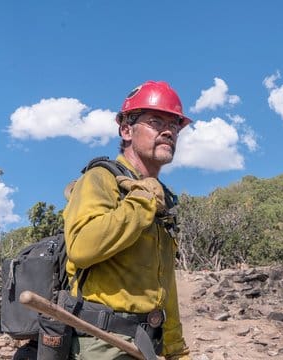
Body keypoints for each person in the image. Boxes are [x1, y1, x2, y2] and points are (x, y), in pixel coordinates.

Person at [63, 81, 191, 359]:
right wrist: (143, 200)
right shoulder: (100, 178)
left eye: (175, 125)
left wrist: (176, 349)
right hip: (101, 343)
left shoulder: (163, 200)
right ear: (126, 130)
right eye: (156, 122)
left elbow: (164, 285)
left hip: (146, 343)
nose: (168, 131)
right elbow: (81, 248)